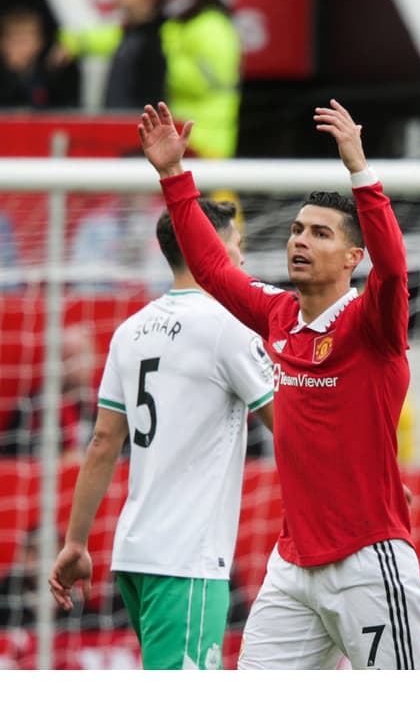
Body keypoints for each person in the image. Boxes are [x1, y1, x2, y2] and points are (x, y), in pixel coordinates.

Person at [138, 99, 420, 670]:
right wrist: (174, 175)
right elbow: (215, 271)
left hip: (368, 561)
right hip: (293, 567)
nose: (300, 240)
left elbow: (394, 267)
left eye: (319, 233)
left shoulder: (372, 322)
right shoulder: (278, 315)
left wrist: (359, 170)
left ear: (352, 257)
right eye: (297, 230)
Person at [47, 197, 275, 670]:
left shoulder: (130, 331)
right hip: (186, 562)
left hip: (134, 557)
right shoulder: (227, 329)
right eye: (235, 245)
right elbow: (291, 427)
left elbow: (103, 442)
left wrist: (76, 541)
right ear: (208, 249)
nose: (242, 259)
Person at [159, 0, 241, 158]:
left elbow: (210, 80)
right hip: (180, 136)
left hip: (208, 142)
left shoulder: (212, 25)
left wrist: (161, 65)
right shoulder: (175, 24)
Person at [54, 0, 166, 111]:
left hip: (157, 122)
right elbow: (87, 39)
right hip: (122, 120)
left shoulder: (167, 34)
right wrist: (70, 44)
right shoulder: (123, 34)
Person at [0, 323, 96, 462]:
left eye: (80, 355)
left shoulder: (105, 406)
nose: (74, 364)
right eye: (67, 356)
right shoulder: (31, 408)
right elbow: (10, 457)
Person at [0, 4, 79, 109]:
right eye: (15, 39)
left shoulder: (51, 74)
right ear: (3, 43)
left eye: (26, 39)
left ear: (39, 42)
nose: (21, 45)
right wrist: (12, 72)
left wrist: (57, 69)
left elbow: (67, 107)